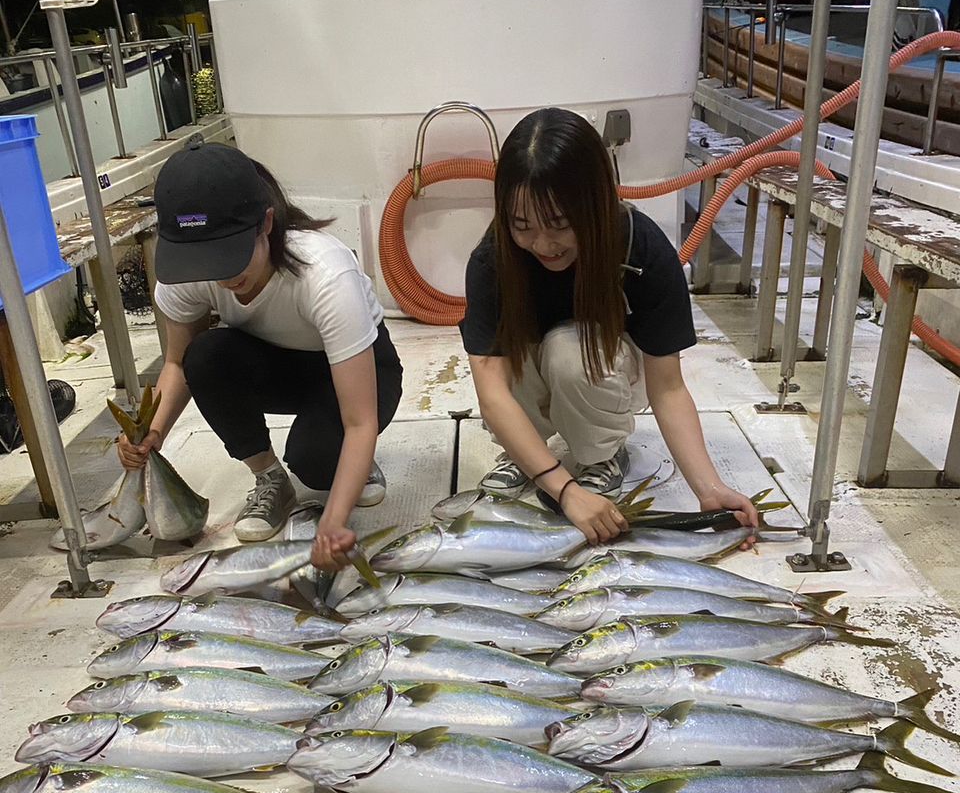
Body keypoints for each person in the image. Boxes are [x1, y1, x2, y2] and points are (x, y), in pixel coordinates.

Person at [459, 107, 760, 545]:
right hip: (529, 382)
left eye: (560, 224)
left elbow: (668, 387)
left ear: (596, 203)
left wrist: (708, 488)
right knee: (509, 356)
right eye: (521, 225)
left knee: (569, 352)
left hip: (600, 373)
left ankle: (600, 454)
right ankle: (526, 455)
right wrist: (563, 490)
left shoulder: (642, 249)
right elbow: (492, 393)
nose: (542, 244)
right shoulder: (493, 261)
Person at [118, 140, 402, 570]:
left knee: (317, 458)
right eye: (202, 259)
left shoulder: (324, 274)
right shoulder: (186, 277)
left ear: (265, 223)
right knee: (205, 356)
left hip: (360, 370)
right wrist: (150, 434)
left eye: (228, 256)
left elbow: (359, 421)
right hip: (277, 362)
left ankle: (354, 466)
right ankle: (269, 478)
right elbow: (177, 364)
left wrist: (333, 522)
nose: (220, 275)